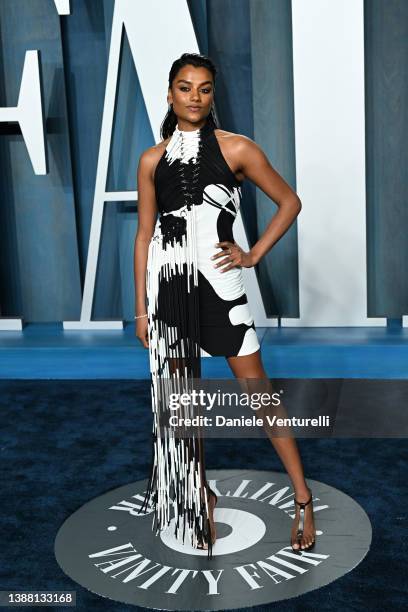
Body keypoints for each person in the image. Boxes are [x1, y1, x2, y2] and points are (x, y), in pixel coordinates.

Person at [134, 52, 315, 559]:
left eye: (205, 88)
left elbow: (289, 201)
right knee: (182, 408)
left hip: (221, 290)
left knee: (261, 398)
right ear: (169, 94)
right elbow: (144, 236)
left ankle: (303, 497)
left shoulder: (238, 149)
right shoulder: (152, 160)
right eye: (185, 87)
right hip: (169, 296)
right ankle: (198, 495)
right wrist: (141, 310)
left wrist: (253, 254)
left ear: (213, 95)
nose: (194, 96)